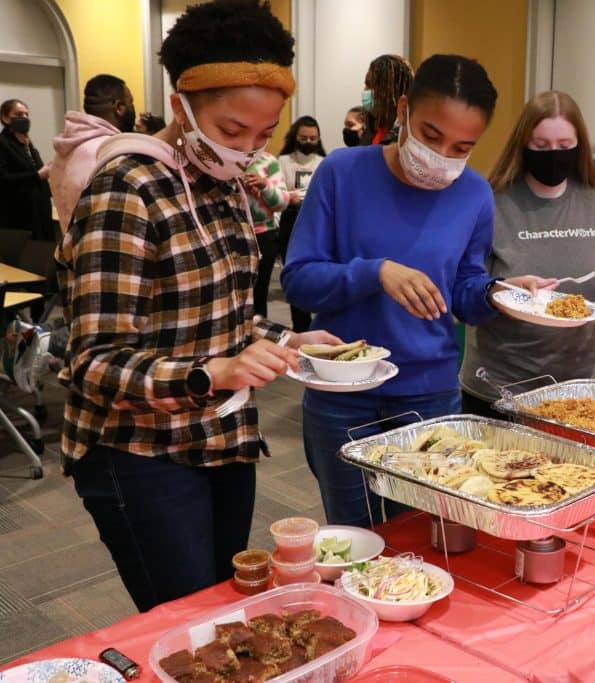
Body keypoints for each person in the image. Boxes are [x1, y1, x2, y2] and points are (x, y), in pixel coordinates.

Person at [57, 0, 340, 613]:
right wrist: (212, 374)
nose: (246, 149)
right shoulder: (127, 190)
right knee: (184, 626)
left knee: (226, 608)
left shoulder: (228, 186)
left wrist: (286, 341)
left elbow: (225, 317)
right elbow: (92, 362)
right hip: (139, 450)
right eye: (232, 130)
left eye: (264, 135)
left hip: (222, 437)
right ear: (181, 102)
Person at [282, 54, 553, 527]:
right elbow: (300, 282)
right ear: (403, 109)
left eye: (462, 146)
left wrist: (497, 293)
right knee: (355, 534)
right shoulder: (342, 173)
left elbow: (463, 291)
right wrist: (375, 272)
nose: (442, 156)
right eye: (431, 136)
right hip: (344, 392)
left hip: (427, 396)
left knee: (424, 536)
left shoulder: (473, 195)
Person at [459, 91, 595, 417]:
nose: (553, 155)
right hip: (500, 389)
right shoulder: (492, 203)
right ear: (523, 144)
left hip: (578, 392)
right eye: (541, 146)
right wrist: (502, 289)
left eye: (564, 146)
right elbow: (465, 294)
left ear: (579, 146)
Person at [50, 74, 136, 231]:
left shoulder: (64, 152)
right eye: (131, 103)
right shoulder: (107, 152)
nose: (133, 109)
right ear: (120, 108)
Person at [278, 116, 326, 331]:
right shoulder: (283, 162)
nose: (308, 142)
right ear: (295, 137)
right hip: (290, 219)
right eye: (303, 138)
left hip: (318, 221)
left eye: (313, 138)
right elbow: (278, 193)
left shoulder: (324, 163)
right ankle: (300, 327)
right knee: (295, 271)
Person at [242, 150, 291, 317]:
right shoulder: (225, 158)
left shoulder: (268, 161)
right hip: (234, 232)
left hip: (264, 234)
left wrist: (264, 186)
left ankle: (260, 335)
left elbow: (282, 202)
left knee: (259, 292)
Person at [0, 99, 52, 239]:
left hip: (40, 208)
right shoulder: (2, 143)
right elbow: (3, 178)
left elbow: (39, 169)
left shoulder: (27, 142)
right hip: (19, 213)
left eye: (26, 114)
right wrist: (37, 175)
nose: (24, 118)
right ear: (5, 117)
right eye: (19, 114)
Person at [362, 54, 413, 145]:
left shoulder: (406, 140)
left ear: (391, 90)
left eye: (370, 85)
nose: (365, 91)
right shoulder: (373, 129)